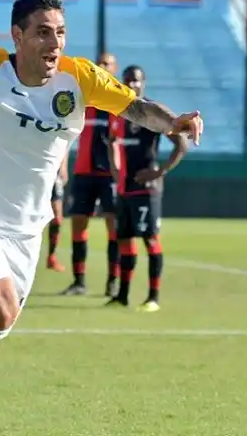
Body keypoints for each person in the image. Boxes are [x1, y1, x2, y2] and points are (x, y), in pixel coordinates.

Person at [0, 0, 203, 435]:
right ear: (17, 36)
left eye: (60, 33)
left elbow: (137, 108)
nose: (54, 43)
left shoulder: (79, 77)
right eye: (43, 32)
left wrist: (174, 121)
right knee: (0, 310)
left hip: (27, 233)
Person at [106, 65, 187, 312]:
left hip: (146, 188)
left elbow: (181, 143)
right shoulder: (118, 112)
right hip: (125, 187)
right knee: (124, 239)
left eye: (136, 81)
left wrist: (159, 171)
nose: (132, 86)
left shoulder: (152, 112)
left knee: (150, 239)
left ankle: (153, 297)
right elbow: (111, 142)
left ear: (144, 83)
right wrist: (114, 168)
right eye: (128, 81)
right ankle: (122, 295)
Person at [61, 53, 121, 296]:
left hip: (109, 175)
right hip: (84, 171)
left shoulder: (118, 102)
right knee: (78, 224)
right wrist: (62, 165)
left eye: (108, 63)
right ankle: (79, 281)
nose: (103, 67)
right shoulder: (82, 100)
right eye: (100, 63)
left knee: (113, 226)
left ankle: (113, 281)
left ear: (114, 69)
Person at [45, 157, 69, 271]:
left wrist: (63, 166)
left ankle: (51, 257)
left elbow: (65, 145)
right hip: (37, 168)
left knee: (57, 217)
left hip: (54, 171)